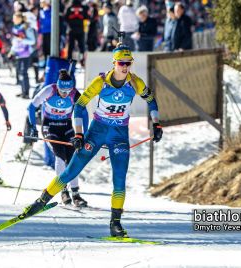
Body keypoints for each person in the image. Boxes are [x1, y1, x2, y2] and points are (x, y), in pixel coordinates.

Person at [23, 44, 163, 237]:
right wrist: (79, 133)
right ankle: (40, 202)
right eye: (121, 63)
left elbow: (151, 100)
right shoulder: (101, 82)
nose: (125, 67)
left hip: (119, 134)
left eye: (128, 63)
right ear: (114, 63)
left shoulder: (135, 82)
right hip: (97, 131)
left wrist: (156, 123)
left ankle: (115, 223)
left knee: (120, 179)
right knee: (71, 170)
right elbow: (79, 107)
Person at [28, 69, 89, 207]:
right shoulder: (49, 90)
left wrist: (84, 133)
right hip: (50, 127)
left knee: (74, 158)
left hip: (66, 127)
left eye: (68, 91)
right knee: (60, 156)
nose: (65, 94)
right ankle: (63, 190)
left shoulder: (74, 94)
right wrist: (33, 127)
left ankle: (76, 194)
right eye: (62, 91)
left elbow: (84, 113)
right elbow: (31, 107)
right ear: (58, 86)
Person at [9, 12, 36, 99]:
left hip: (26, 53)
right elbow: (15, 41)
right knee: (19, 73)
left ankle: (26, 93)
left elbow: (32, 41)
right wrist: (12, 51)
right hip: (18, 53)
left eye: (15, 18)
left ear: (20, 18)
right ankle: (23, 91)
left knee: (24, 73)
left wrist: (22, 39)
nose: (13, 20)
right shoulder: (15, 28)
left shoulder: (27, 28)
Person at [65, 0, 89, 65]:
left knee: (71, 46)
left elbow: (65, 18)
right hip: (80, 30)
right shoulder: (84, 7)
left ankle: (69, 61)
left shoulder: (69, 7)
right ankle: (82, 60)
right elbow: (87, 17)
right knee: (81, 47)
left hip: (72, 29)